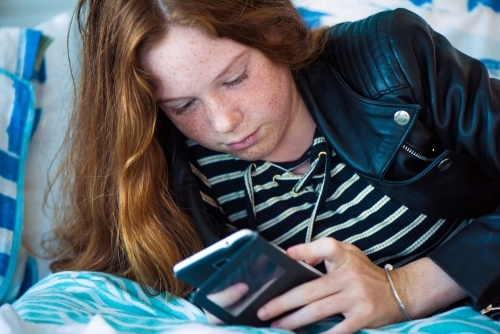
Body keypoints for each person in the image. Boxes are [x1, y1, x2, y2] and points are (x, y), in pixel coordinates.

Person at [50, 0, 500, 333]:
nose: (224, 123)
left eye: (235, 78)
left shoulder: (392, 57)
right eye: (184, 105)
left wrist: (404, 289)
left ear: (276, 33)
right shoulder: (161, 162)